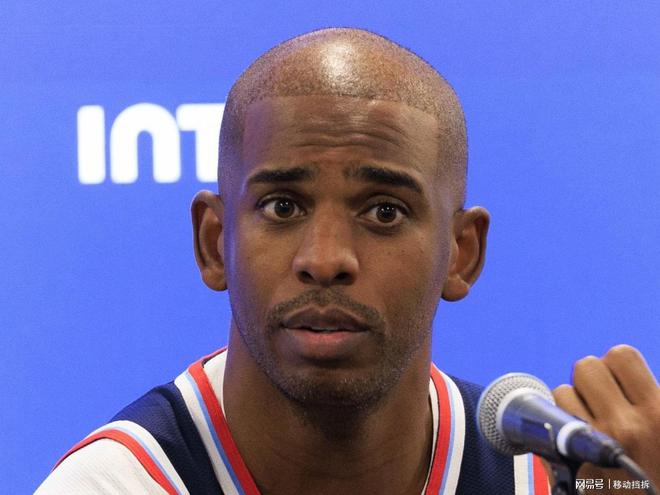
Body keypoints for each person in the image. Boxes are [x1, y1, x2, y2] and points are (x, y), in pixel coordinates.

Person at [36, 28, 659, 495]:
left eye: (384, 211)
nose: (326, 259)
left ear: (461, 254)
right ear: (213, 242)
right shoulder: (114, 485)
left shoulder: (570, 479)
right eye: (282, 206)